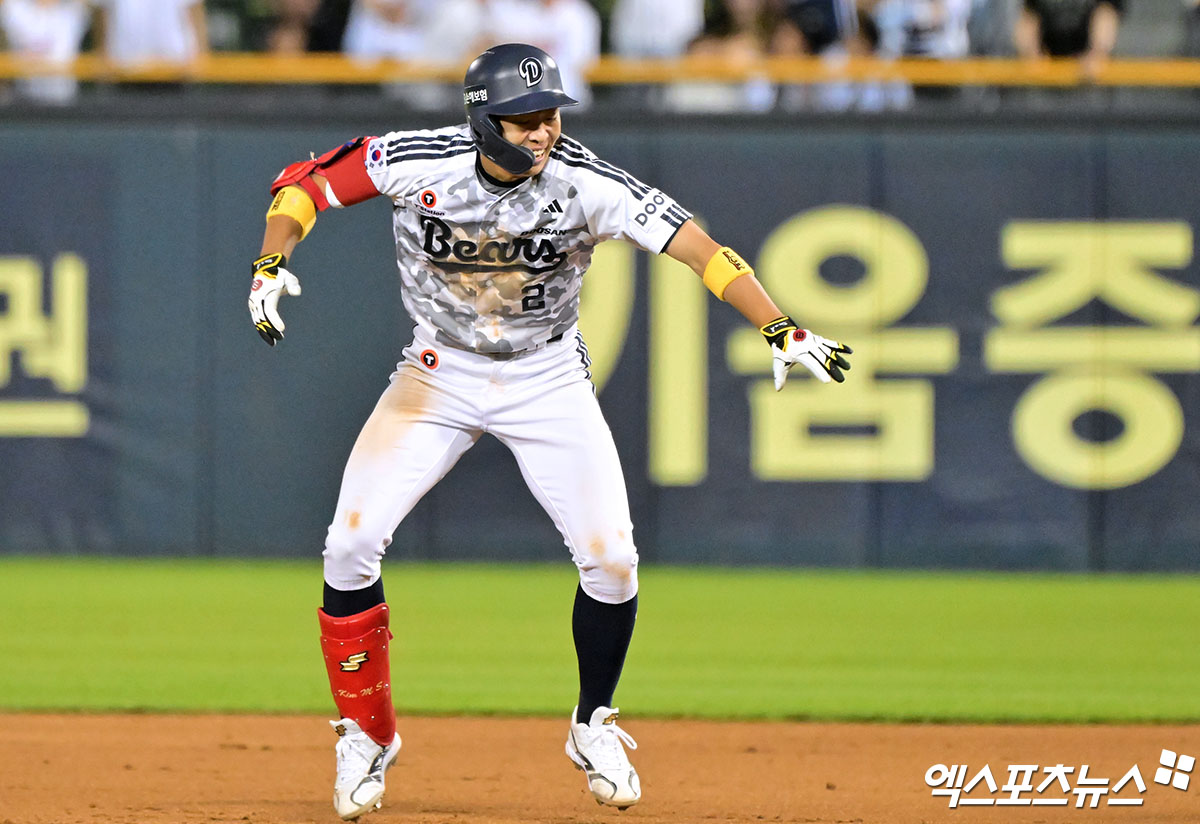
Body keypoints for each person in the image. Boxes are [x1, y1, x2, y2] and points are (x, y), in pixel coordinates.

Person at [247, 42, 851, 821]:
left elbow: (696, 246)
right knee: (349, 545)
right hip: (437, 371)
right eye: (524, 117)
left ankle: (592, 723)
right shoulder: (417, 160)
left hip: (547, 376)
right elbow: (303, 184)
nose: (542, 130)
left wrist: (777, 325)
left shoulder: (584, 181)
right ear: (484, 120)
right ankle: (367, 735)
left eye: (550, 113)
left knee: (614, 561)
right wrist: (270, 262)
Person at [1014, 0, 1123, 80]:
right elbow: (1029, 15)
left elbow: (1106, 12)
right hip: (1047, 63)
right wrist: (1032, 53)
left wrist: (1097, 53)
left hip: (1086, 69)